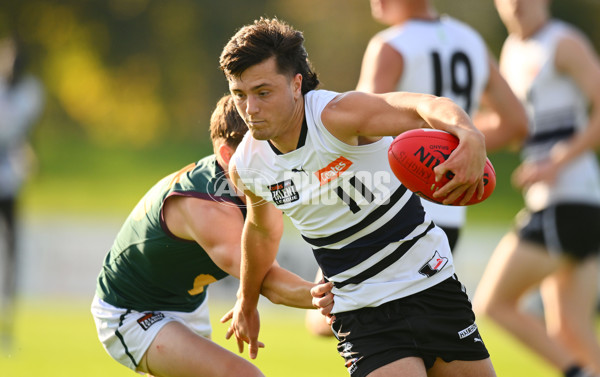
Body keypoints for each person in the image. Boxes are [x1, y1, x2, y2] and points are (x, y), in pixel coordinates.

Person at [221, 17, 497, 377]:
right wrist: (246, 299)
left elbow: (423, 106)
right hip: (363, 314)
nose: (251, 110)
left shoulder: (337, 116)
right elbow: (260, 232)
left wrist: (469, 135)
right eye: (239, 95)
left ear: (295, 84)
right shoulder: (248, 165)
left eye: (263, 92)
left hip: (432, 285)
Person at [305, 0, 529, 337]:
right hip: (450, 210)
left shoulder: (389, 46)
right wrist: (453, 153)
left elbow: (360, 133)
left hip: (393, 213)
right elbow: (516, 123)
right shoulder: (471, 41)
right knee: (415, 330)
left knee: (328, 319)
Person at [90, 94, 331, 377]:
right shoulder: (208, 207)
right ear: (227, 156)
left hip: (186, 308)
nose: (276, 159)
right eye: (263, 150)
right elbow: (266, 279)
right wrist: (341, 298)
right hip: (133, 313)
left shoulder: (240, 178)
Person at [473, 0, 600, 376]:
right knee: (569, 330)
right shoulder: (513, 51)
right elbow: (514, 127)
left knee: (493, 303)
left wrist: (556, 162)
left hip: (569, 199)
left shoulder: (563, 42)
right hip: (572, 202)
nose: (516, 5)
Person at [0, 33, 44, 351]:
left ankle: (8, 321)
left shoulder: (30, 94)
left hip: (10, 181)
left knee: (13, 251)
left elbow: (25, 136)